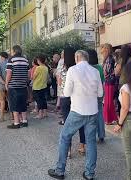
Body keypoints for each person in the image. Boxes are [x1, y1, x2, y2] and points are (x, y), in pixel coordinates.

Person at [48, 50, 103, 180]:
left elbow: (66, 93)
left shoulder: (72, 70)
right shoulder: (95, 71)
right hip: (92, 111)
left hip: (77, 110)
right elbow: (100, 93)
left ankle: (60, 170)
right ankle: (89, 174)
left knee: (65, 137)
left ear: (77, 57)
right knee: (90, 142)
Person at [57, 47, 86, 156]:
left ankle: (68, 150)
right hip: (77, 99)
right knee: (81, 123)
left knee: (67, 124)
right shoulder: (77, 68)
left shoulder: (62, 68)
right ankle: (82, 146)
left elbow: (59, 83)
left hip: (65, 98)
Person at [5, 45, 29, 129]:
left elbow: (9, 73)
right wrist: (26, 82)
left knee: (14, 104)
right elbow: (28, 73)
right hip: (23, 85)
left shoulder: (11, 59)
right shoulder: (25, 60)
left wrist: (6, 83)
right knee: (23, 103)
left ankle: (16, 123)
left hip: (13, 85)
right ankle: (24, 121)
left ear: (14, 51)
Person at [87, 49, 106, 143]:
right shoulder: (99, 67)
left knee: (91, 116)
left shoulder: (87, 68)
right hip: (100, 92)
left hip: (90, 94)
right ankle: (101, 134)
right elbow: (102, 80)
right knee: (100, 114)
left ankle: (91, 135)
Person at [102, 43, 118, 125]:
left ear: (106, 49)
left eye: (103, 48)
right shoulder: (109, 58)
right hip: (110, 81)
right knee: (109, 100)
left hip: (109, 81)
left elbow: (106, 71)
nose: (102, 50)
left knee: (108, 101)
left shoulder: (109, 58)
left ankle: (108, 119)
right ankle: (112, 118)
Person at [32, 55, 49, 119]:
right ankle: (45, 113)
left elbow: (34, 77)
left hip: (37, 86)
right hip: (44, 86)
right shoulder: (46, 67)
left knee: (38, 100)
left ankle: (40, 114)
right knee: (43, 99)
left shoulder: (38, 68)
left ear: (39, 61)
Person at [0, 52, 8, 121]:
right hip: (9, 85)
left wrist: (4, 82)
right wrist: (7, 83)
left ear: (2, 57)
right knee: (10, 101)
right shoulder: (10, 63)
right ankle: (13, 117)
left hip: (0, 85)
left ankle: (1, 117)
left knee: (2, 101)